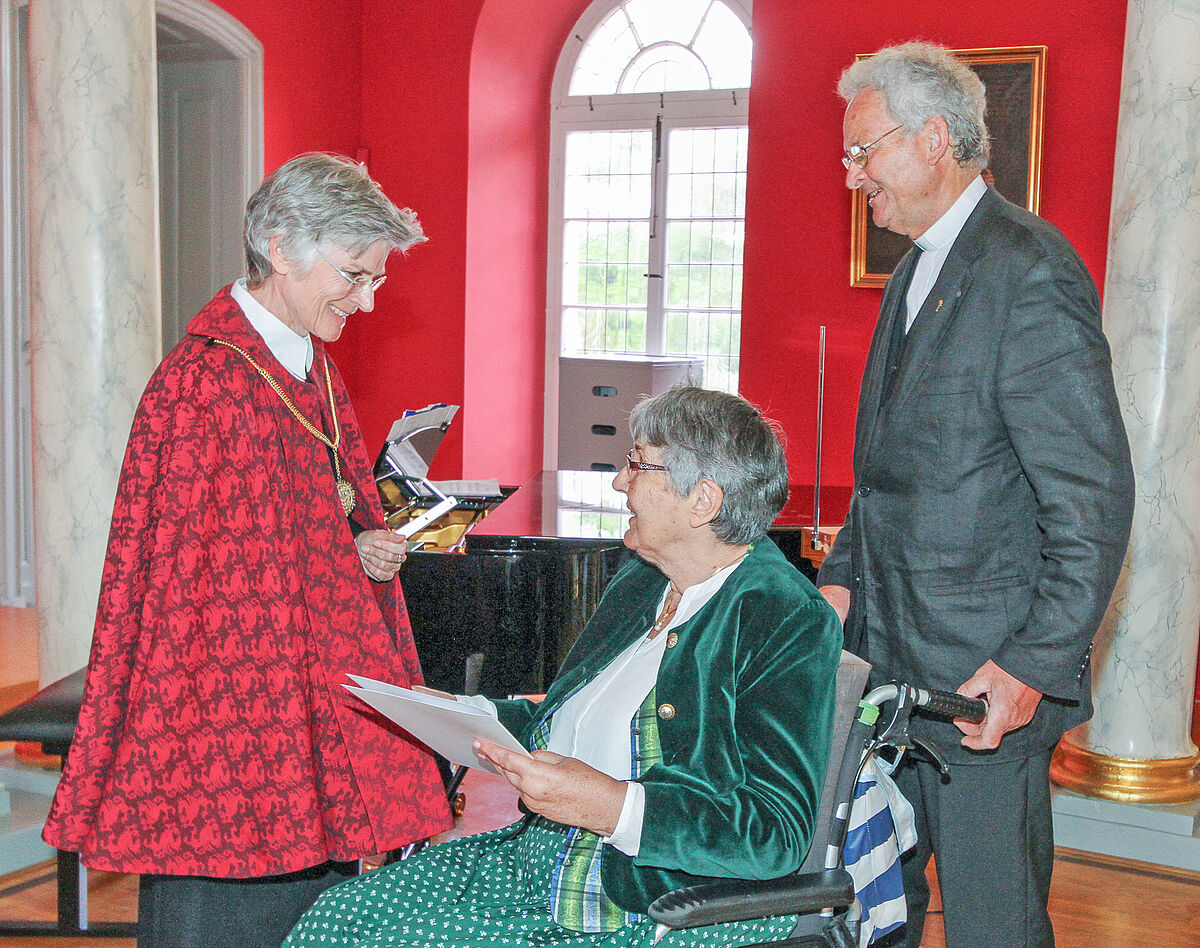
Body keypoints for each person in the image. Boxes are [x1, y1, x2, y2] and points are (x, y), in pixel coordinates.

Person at [42, 154, 453, 948]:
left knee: (314, 914)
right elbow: (185, 581)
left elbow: (304, 515)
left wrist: (357, 541)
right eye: (353, 274)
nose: (366, 301)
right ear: (277, 244)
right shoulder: (202, 382)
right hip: (227, 724)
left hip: (308, 693)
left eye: (375, 279)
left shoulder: (307, 364)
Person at [285, 385, 843, 947]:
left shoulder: (783, 615)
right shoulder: (644, 576)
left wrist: (613, 806)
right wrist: (465, 713)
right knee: (340, 913)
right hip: (543, 860)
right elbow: (562, 720)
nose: (621, 482)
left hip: (656, 904)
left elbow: (777, 835)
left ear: (703, 501)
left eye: (638, 465)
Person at [816, 42, 1135, 948]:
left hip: (980, 682)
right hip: (889, 671)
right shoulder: (917, 267)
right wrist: (841, 578)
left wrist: (1035, 662)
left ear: (932, 139)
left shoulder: (1028, 267)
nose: (853, 177)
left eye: (862, 151)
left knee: (994, 923)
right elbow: (886, 476)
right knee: (883, 907)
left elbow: (1093, 497)